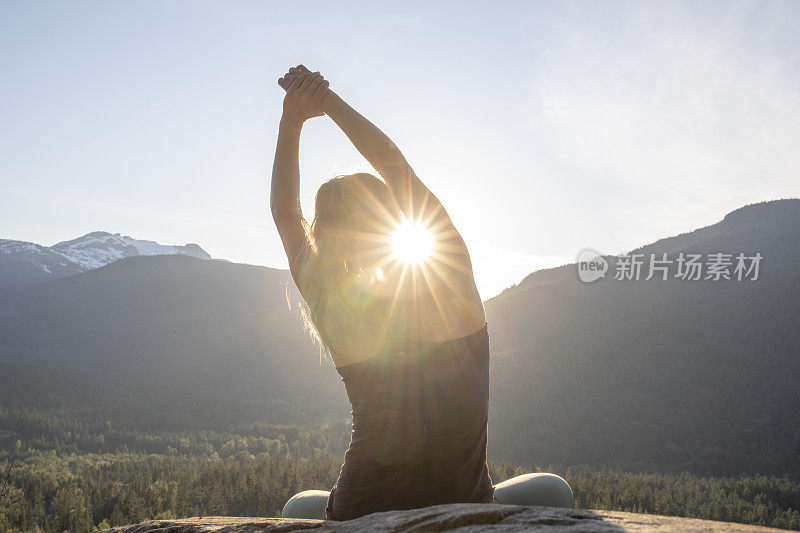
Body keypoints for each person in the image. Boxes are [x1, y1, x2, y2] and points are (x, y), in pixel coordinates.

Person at [270, 65, 573, 521]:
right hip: (458, 504)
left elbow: (285, 215)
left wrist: (292, 119)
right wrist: (327, 101)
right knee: (553, 488)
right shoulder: (449, 282)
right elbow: (393, 164)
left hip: (358, 508)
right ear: (395, 221)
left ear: (327, 239)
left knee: (300, 505)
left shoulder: (330, 303)